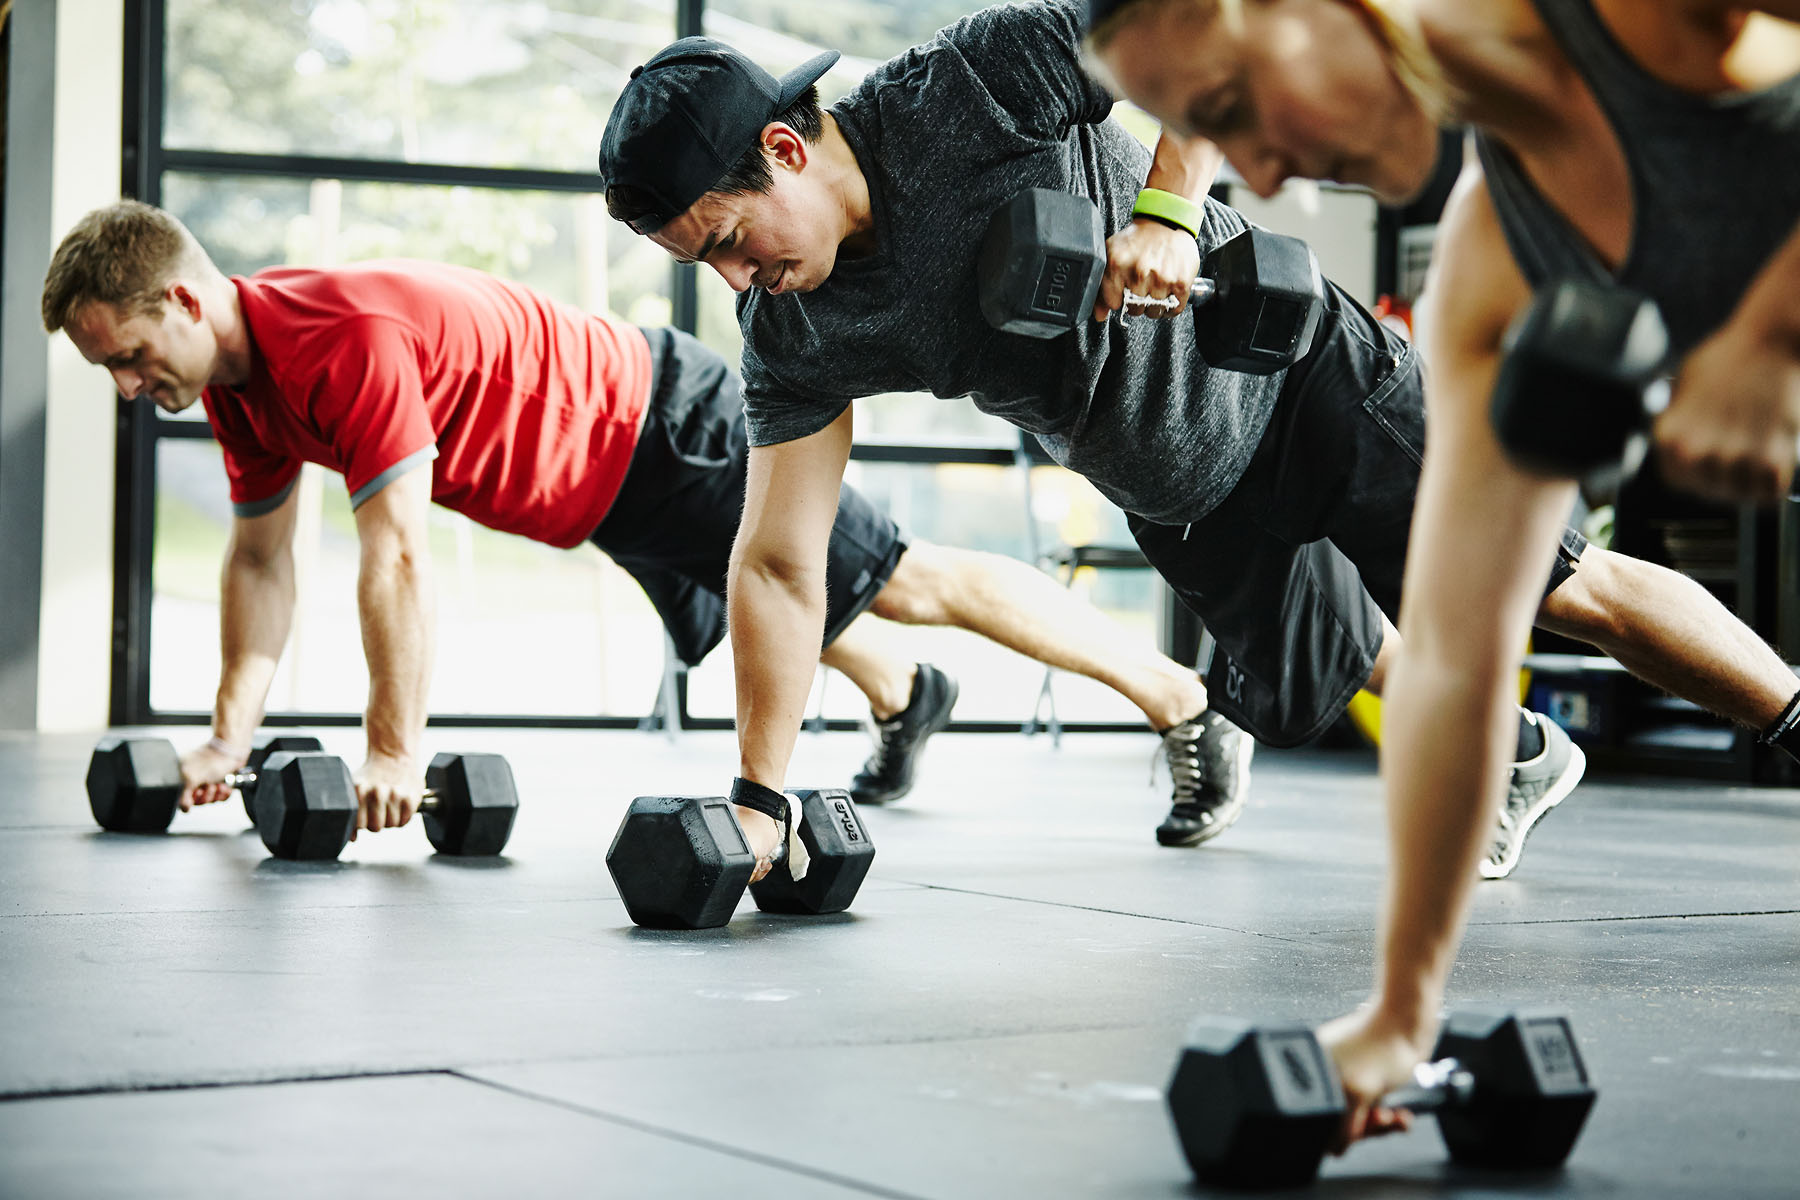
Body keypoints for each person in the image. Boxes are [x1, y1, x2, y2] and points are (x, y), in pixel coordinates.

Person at [596, 0, 1797, 893]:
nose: (737, 277)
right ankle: (1522, 755)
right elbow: (776, 562)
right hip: (1173, 485)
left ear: (790, 150)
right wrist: (761, 796)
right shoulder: (797, 330)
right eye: (704, 266)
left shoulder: (964, 87)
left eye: (732, 239)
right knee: (1306, 686)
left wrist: (1168, 208)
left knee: (1557, 589)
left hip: (1300, 384)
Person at [1084, 0, 1800, 1150]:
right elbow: (1458, 653)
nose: (1258, 173)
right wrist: (1399, 1015)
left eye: (1227, 111)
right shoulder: (1495, 257)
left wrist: (1769, 333)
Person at [41, 199, 1230, 835]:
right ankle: (902, 692)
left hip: (661, 425)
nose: (136, 390)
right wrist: (225, 738)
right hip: (605, 491)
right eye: (115, 374)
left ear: (187, 298)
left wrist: (395, 748)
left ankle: (1182, 701)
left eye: (135, 357)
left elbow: (396, 555)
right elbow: (258, 562)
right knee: (803, 605)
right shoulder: (240, 388)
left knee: (904, 577)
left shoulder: (338, 343)